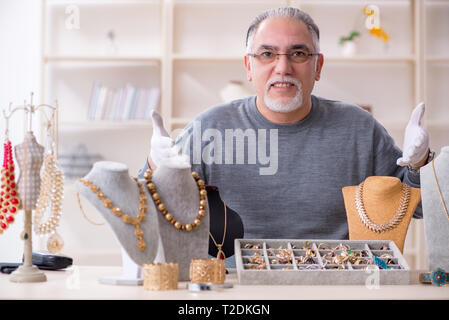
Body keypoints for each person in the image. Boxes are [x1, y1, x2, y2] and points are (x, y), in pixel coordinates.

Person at [138, 7, 431, 241]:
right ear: (248, 66)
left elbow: (414, 207)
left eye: (298, 54)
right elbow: (146, 211)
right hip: (233, 287)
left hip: (336, 285)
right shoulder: (209, 128)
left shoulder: (359, 128)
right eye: (267, 54)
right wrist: (155, 164)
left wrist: (420, 165)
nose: (283, 67)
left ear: (317, 66)